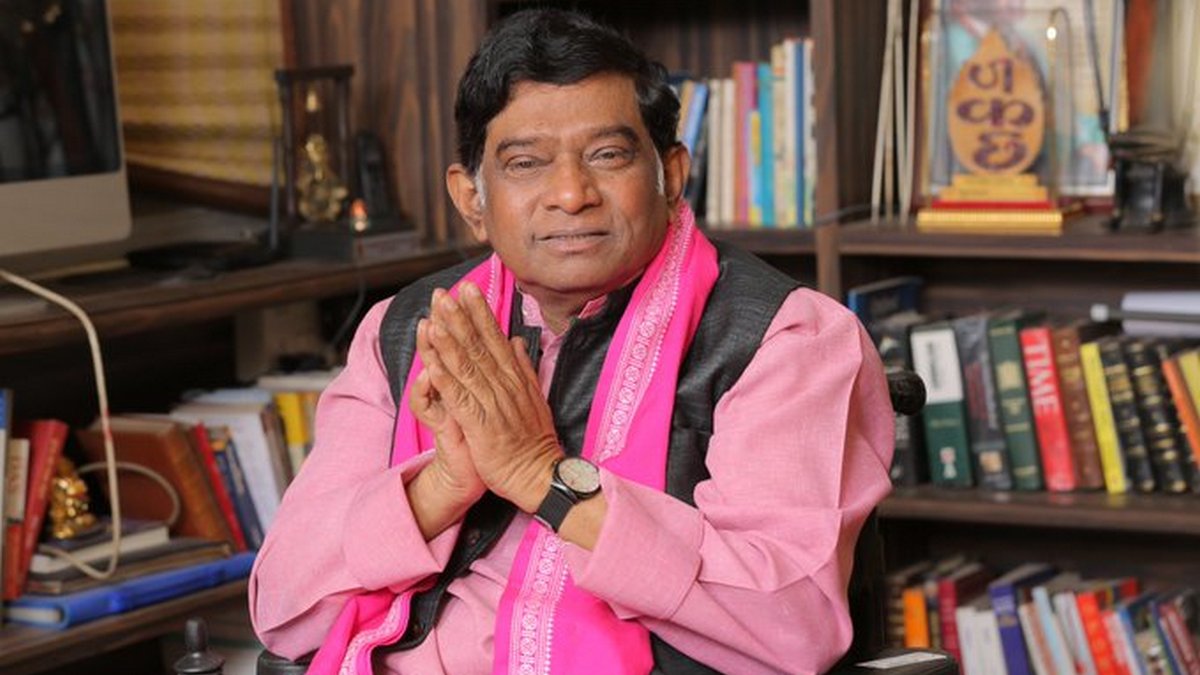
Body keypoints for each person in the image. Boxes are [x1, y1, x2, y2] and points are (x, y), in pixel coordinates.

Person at [249, 8, 894, 675]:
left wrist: (544, 478)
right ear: (471, 200)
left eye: (607, 155)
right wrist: (441, 485)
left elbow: (793, 627)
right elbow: (286, 607)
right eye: (525, 163)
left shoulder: (784, 339)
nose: (570, 193)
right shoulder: (409, 333)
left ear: (671, 175)